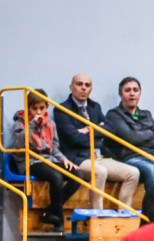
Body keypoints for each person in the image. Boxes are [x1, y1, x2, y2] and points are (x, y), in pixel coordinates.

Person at [54, 73, 140, 210]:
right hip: (77, 158)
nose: (83, 88)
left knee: (133, 173)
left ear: (91, 89)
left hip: (98, 156)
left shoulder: (95, 107)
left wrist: (88, 129)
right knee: (100, 171)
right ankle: (98, 215)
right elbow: (74, 138)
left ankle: (124, 214)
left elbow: (110, 130)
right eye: (79, 84)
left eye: (87, 85)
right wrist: (97, 132)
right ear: (71, 87)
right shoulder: (62, 109)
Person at [10, 89, 81, 232]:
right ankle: (58, 220)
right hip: (30, 161)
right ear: (28, 107)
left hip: (49, 159)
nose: (38, 112)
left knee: (78, 175)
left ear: (46, 108)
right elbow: (19, 144)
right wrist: (31, 125)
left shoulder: (51, 124)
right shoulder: (20, 124)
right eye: (34, 108)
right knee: (56, 176)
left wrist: (64, 159)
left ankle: (51, 211)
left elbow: (54, 148)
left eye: (41, 108)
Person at [103, 77, 154, 222]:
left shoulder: (146, 114)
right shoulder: (113, 114)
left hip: (151, 155)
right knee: (152, 170)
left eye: (135, 90)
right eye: (127, 90)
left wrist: (140, 136)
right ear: (121, 94)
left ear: (139, 94)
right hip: (128, 157)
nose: (132, 94)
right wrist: (149, 132)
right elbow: (131, 138)